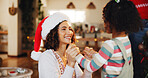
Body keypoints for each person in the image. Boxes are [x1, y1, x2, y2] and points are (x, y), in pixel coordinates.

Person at [75, 0, 143, 78]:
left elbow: (91, 67)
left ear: (112, 22)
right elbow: (114, 59)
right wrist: (95, 55)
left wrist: (77, 55)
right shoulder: (126, 40)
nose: (104, 24)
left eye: (105, 20)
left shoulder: (110, 44)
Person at [31, 12, 92, 78]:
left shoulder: (67, 55)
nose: (69, 32)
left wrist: (88, 65)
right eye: (63, 29)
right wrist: (70, 64)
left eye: (70, 29)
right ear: (53, 33)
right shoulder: (46, 57)